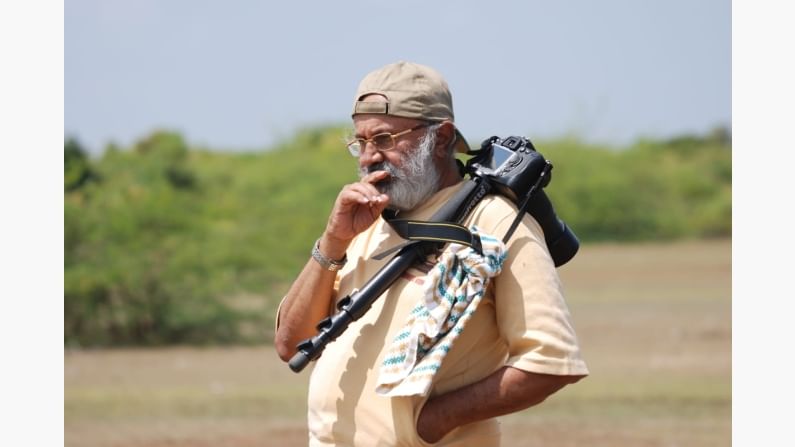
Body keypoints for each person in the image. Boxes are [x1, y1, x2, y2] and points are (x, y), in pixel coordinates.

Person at [275, 61, 588, 446]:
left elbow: (551, 362)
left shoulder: (495, 221)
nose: (369, 157)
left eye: (386, 139)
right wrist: (332, 242)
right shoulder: (366, 218)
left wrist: (431, 422)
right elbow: (292, 345)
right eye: (361, 142)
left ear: (441, 138)